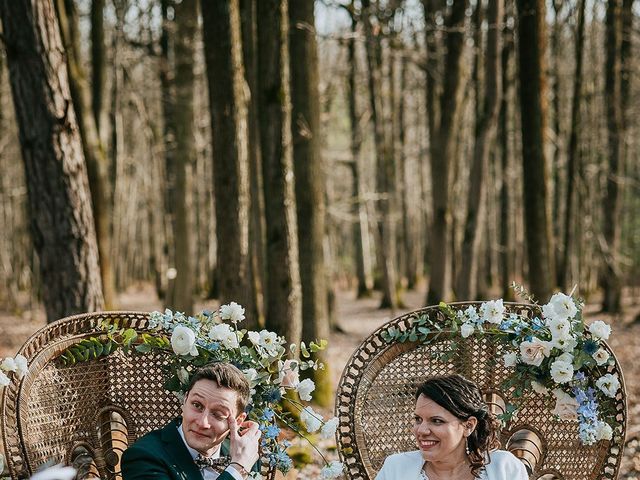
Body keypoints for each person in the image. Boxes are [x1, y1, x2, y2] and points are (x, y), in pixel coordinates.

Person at [122, 362, 261, 480]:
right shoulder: (143, 456)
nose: (202, 423)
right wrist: (237, 470)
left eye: (218, 414)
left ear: (237, 421)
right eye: (197, 405)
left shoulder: (246, 455)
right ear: (185, 400)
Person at [375, 374, 528, 480]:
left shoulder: (504, 468)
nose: (421, 430)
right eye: (418, 419)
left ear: (469, 426)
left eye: (436, 421)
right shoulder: (396, 468)